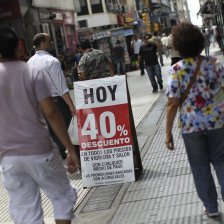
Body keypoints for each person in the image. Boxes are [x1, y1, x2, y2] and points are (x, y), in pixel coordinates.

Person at [0, 26, 79, 224]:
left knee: (27, 213)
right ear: (18, 47)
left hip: (9, 158)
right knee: (62, 197)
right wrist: (70, 149)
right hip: (39, 150)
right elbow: (52, 113)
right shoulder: (31, 72)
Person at [165, 22, 224, 217]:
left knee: (200, 166)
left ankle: (211, 207)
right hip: (217, 122)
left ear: (178, 46)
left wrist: (168, 133)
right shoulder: (214, 63)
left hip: (191, 126)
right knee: (221, 161)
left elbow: (172, 103)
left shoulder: (176, 69)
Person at [28, 33, 76, 159]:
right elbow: (61, 86)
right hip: (56, 102)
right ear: (43, 43)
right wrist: (71, 105)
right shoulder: (52, 61)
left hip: (39, 104)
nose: (52, 43)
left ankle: (59, 155)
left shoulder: (29, 63)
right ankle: (76, 157)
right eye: (49, 41)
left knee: (51, 131)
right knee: (70, 129)